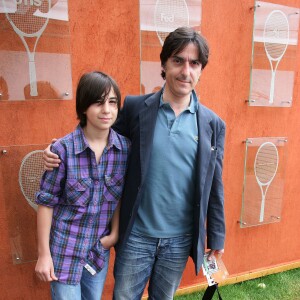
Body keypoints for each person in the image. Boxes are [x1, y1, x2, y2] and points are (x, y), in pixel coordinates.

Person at [43, 27, 226, 299]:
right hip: (136, 235)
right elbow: (99, 133)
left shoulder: (213, 124)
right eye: (178, 60)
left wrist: (217, 237)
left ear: (201, 69)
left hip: (179, 239)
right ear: (164, 63)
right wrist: (59, 148)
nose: (185, 71)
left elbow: (214, 184)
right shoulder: (135, 108)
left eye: (194, 63)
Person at [35, 71, 130, 300]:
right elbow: (46, 203)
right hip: (65, 249)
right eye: (98, 102)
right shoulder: (63, 150)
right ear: (84, 107)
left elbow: (119, 196)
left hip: (98, 250)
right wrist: (43, 255)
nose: (106, 110)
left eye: (112, 102)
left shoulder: (124, 149)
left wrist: (114, 234)